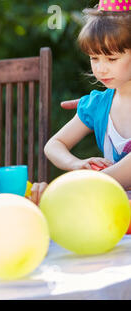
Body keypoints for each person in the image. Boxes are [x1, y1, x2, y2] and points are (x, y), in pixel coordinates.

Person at [44, 1, 131, 198]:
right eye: (94, 58)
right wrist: (76, 164)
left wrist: (85, 186)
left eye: (112, 59)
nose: (100, 68)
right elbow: (54, 145)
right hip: (114, 214)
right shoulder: (97, 105)